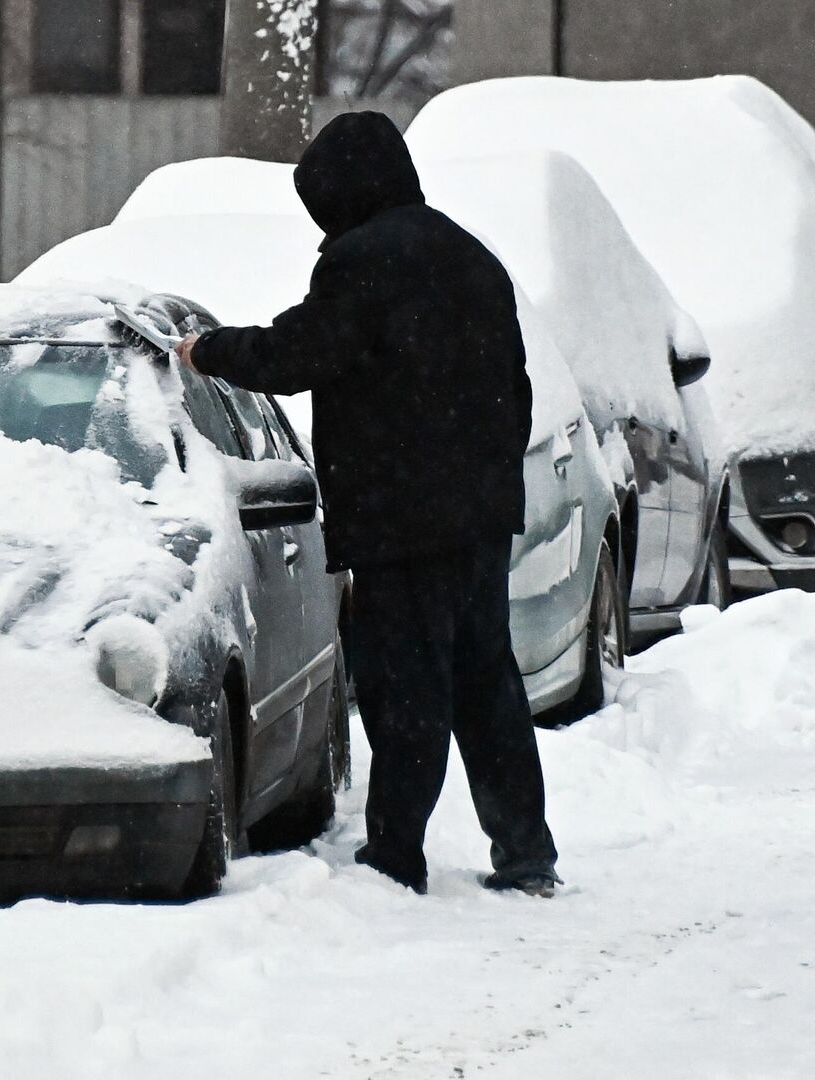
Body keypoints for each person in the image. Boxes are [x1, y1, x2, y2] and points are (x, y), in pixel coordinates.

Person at [177, 111, 560, 897]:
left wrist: (207, 350)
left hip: (401, 521)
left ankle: (395, 854)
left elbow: (295, 355)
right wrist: (478, 476)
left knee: (407, 689)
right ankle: (524, 851)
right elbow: (514, 392)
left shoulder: (364, 263)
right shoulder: (472, 257)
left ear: (343, 194)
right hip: (480, 516)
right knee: (485, 680)